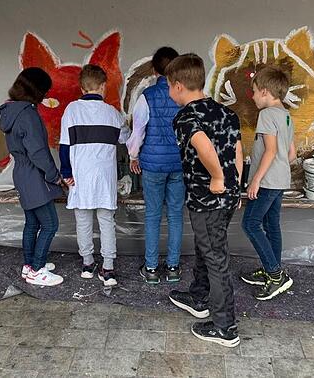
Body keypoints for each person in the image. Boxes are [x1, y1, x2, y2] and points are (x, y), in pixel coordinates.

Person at [166, 54, 243, 348]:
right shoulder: (226, 114)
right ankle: (199, 297)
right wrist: (234, 184)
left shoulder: (187, 116)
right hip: (225, 197)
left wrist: (218, 178)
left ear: (178, 86)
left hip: (207, 197)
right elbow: (237, 151)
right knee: (207, 245)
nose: (170, 92)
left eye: (169, 87)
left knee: (216, 258)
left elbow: (202, 144)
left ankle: (226, 327)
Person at [59, 65, 129, 287]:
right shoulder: (112, 113)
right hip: (105, 177)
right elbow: (125, 138)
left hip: (80, 175)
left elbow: (64, 145)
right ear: (103, 86)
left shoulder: (71, 110)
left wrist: (66, 172)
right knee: (107, 221)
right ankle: (108, 268)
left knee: (83, 220)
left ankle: (87, 263)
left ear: (82, 88)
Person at [0, 67, 64, 287]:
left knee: (32, 223)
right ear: (36, 90)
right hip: (34, 176)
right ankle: (37, 270)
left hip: (21, 173)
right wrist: (54, 176)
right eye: (44, 91)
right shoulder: (28, 114)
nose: (46, 96)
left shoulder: (11, 111)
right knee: (50, 224)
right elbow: (38, 152)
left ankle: (30, 264)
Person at [127, 47, 185, 284]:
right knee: (175, 215)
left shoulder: (147, 96)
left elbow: (138, 131)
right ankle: (173, 267)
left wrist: (133, 156)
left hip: (151, 165)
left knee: (152, 215)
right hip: (179, 164)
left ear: (153, 70)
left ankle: (151, 268)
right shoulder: (184, 95)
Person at [240, 65, 297, 301]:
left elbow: (271, 151)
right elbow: (291, 154)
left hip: (268, 181)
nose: (252, 97)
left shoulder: (266, 115)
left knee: (250, 224)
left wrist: (255, 180)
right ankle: (271, 269)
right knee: (272, 225)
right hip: (280, 179)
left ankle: (275, 275)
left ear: (264, 92)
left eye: (253, 92)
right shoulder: (285, 116)